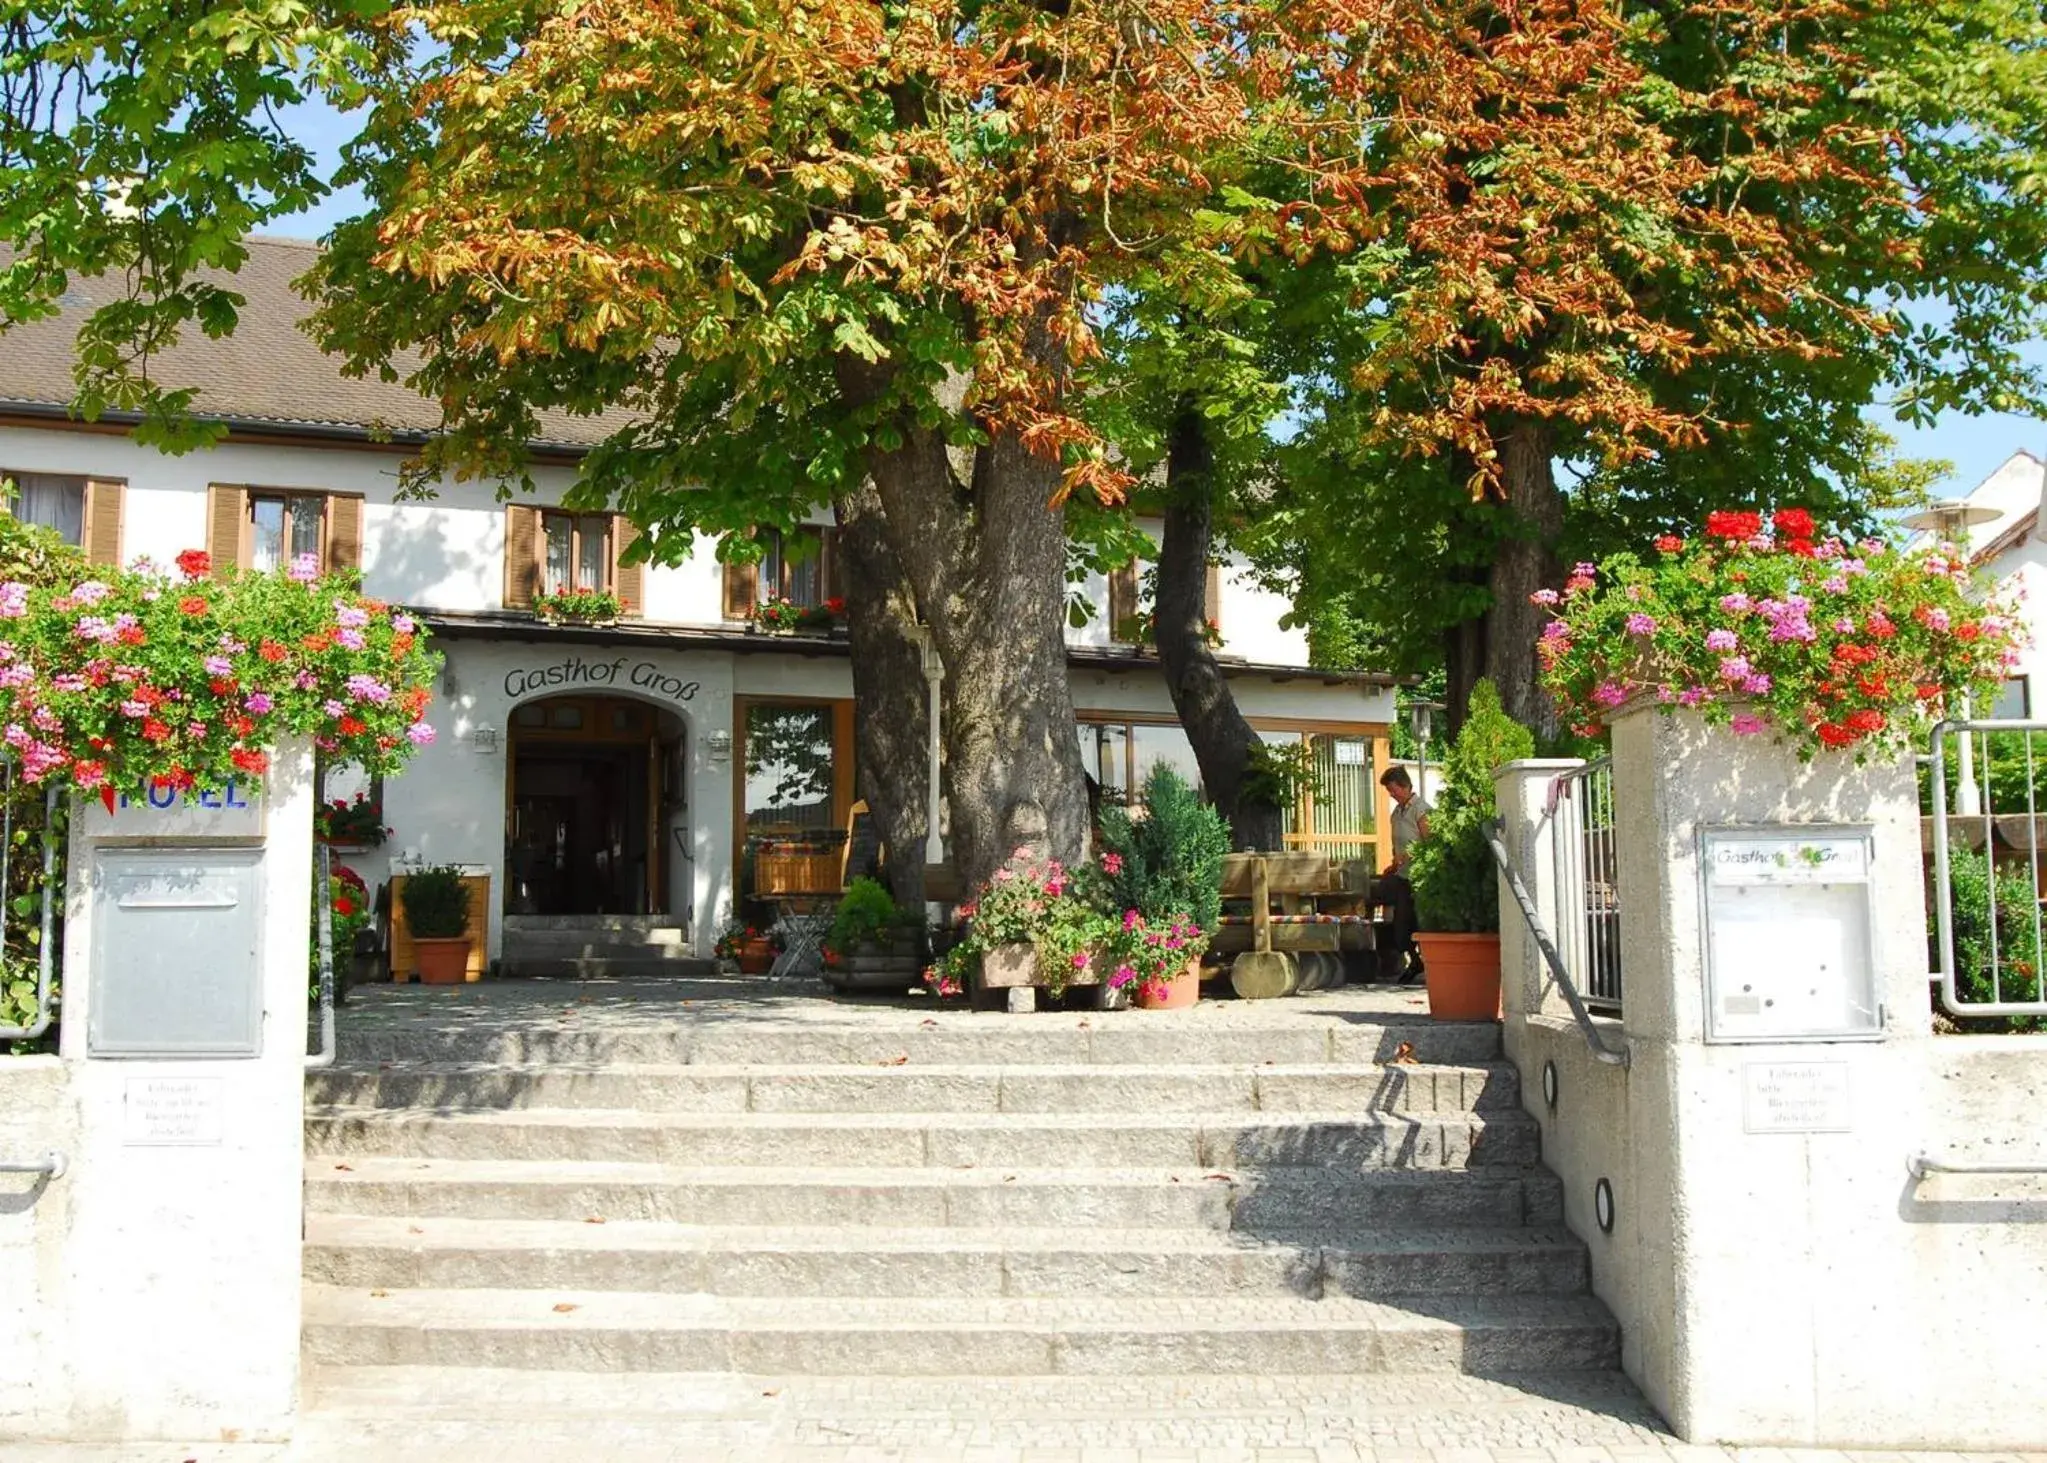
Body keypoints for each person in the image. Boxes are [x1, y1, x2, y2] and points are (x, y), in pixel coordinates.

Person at [1375, 765, 1431, 983]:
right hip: (1402, 876)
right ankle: (1414, 961)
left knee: (1416, 921)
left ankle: (1423, 963)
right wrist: (1394, 862)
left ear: (1406, 786)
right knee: (1400, 924)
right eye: (1389, 790)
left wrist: (1406, 857)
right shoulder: (1396, 814)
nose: (1391, 794)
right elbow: (1397, 844)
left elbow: (1428, 842)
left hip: (1419, 876)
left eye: (1393, 789)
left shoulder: (1421, 809)